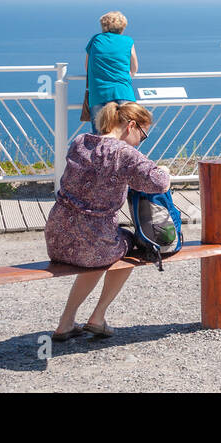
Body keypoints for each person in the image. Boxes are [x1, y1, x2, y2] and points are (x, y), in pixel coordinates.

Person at [46, 101, 171, 340]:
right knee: (130, 250)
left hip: (57, 239)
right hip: (92, 244)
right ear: (131, 126)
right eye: (142, 135)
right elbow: (159, 183)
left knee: (100, 250)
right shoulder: (123, 152)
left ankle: (66, 322)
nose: (140, 142)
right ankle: (98, 316)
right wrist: (164, 171)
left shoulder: (80, 141)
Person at [85, 10, 139, 134]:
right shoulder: (128, 41)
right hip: (123, 92)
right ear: (122, 27)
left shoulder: (96, 40)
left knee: (100, 137)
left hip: (99, 94)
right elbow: (134, 68)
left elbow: (87, 67)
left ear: (104, 26)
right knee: (126, 136)